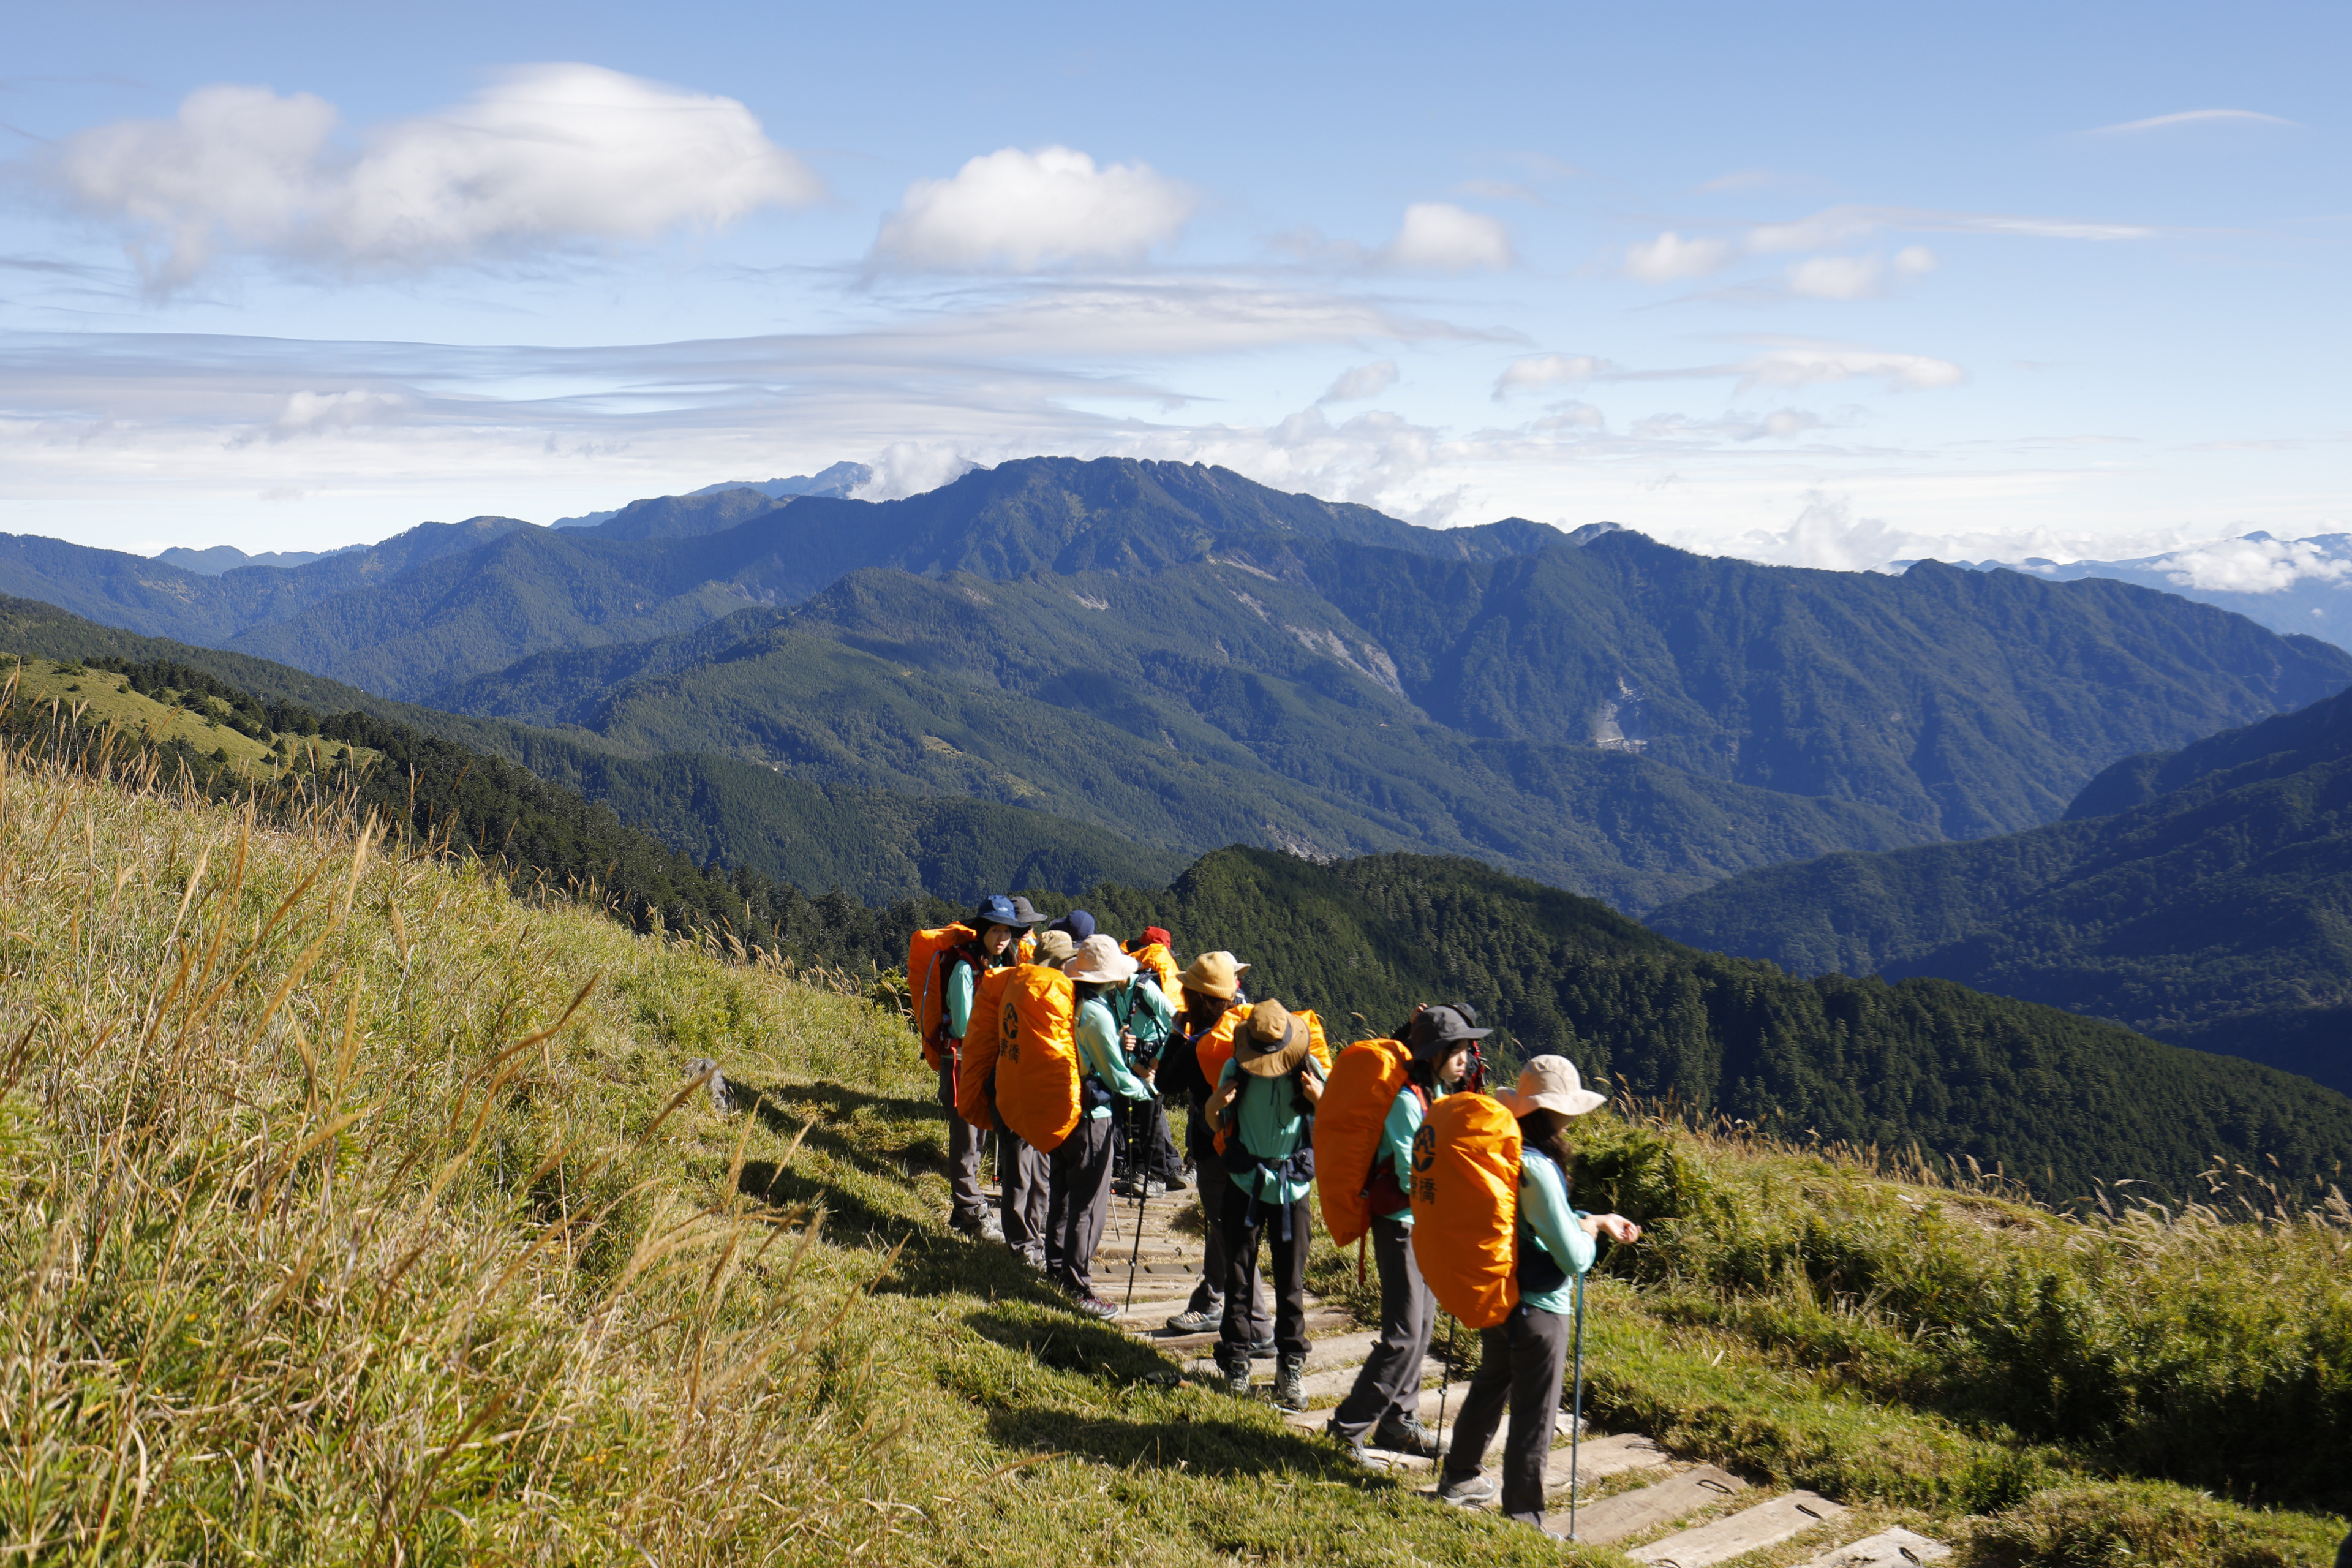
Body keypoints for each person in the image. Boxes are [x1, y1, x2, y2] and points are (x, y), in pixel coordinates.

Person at [1433, 1056, 1643, 1536]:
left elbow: (1535, 1221)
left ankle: (1459, 1476)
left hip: (1499, 1291)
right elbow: (1572, 1257)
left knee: (1490, 1387)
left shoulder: (1502, 1150)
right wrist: (1591, 1235)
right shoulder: (1539, 1168)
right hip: (1540, 1308)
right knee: (1535, 1414)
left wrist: (1593, 1219)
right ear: (1557, 1112)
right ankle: (1524, 1519)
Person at [1325, 1005, 1480, 1466]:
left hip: (1421, 1224)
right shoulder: (1407, 1101)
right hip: (1401, 1225)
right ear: (1434, 1053)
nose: (1467, 1058)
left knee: (1423, 1326)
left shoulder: (1428, 1092)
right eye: (1458, 1050)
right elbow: (1414, 1174)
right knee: (1404, 1334)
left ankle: (1398, 1422)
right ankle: (1347, 1429)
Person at [1207, 1000, 1327, 1409]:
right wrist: (1213, 1108)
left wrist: (1320, 1099)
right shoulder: (1237, 1068)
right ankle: (1237, 1363)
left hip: (1284, 1188)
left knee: (1290, 1281)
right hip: (1250, 1184)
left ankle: (1288, 1365)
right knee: (1239, 1276)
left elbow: (1334, 1121)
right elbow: (1214, 1119)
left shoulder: (1307, 1069)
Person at [1158, 952, 1269, 1348]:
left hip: (1214, 1148)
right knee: (1225, 1228)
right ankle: (1210, 1302)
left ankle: (1257, 1327)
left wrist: (1176, 1032)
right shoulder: (1247, 1031)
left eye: (1188, 994)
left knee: (1231, 1236)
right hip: (1254, 1147)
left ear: (1199, 1001)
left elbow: (1165, 1082)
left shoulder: (1201, 1045)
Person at [1048, 935, 1158, 1317]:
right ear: (1109, 978)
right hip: (1092, 1117)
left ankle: (1056, 1270)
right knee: (1088, 1204)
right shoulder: (1097, 1012)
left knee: (1061, 1194)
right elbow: (1114, 1074)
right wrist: (1146, 1091)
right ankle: (1079, 1287)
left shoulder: (1069, 1002)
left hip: (1064, 1108)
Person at [940, 894, 1035, 1242]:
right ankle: (970, 1212)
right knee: (967, 1138)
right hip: (962, 1062)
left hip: (982, 1062)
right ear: (982, 931)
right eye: (995, 930)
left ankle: (964, 1209)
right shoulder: (966, 969)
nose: (1001, 938)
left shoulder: (999, 968)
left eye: (1007, 932)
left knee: (978, 1135)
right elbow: (965, 1026)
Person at [993, 897, 1056, 1264]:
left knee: (1031, 1165)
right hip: (1023, 1088)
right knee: (1022, 1167)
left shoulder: (1015, 975)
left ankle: (1032, 1231)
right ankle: (1023, 1242)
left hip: (1017, 1084)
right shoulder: (1028, 983)